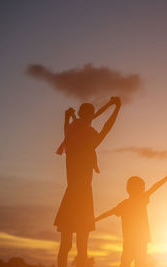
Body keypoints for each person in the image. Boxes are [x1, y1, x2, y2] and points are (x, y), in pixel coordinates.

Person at [54, 96, 121, 267]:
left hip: (71, 197)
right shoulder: (89, 141)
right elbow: (106, 129)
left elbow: (67, 129)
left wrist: (67, 118)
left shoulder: (70, 138)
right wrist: (116, 107)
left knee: (66, 245)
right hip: (83, 198)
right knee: (81, 246)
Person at [95, 168, 167, 267]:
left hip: (135, 240)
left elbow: (108, 213)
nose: (144, 190)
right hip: (136, 240)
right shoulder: (138, 200)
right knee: (133, 264)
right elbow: (154, 187)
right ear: (133, 188)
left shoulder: (126, 204)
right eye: (142, 188)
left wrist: (94, 220)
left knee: (128, 264)